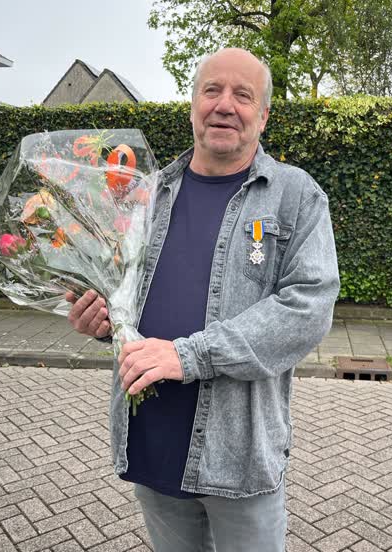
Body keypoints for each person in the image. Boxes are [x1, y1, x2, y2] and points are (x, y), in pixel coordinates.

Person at [65, 47, 339, 551]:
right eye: (212, 90)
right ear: (193, 105)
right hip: (150, 440)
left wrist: (188, 356)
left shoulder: (295, 195)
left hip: (237, 459)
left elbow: (308, 307)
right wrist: (103, 320)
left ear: (263, 115)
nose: (224, 105)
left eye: (242, 95)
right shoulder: (146, 194)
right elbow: (123, 296)